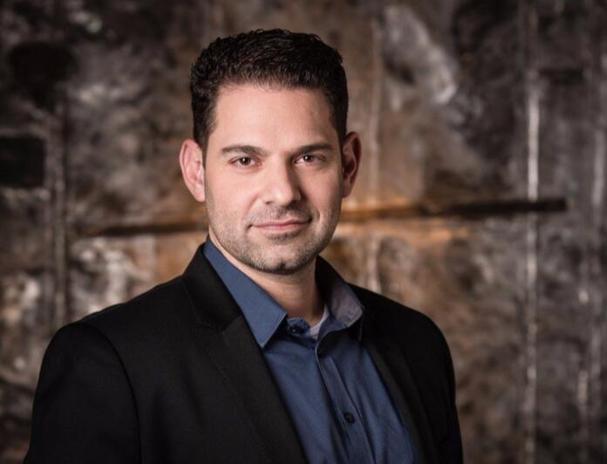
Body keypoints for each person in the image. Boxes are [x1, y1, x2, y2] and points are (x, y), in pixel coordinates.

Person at [24, 29, 463, 464]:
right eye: (245, 160)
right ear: (196, 171)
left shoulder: (417, 343)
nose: (282, 192)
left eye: (308, 157)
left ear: (348, 165)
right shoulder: (108, 364)